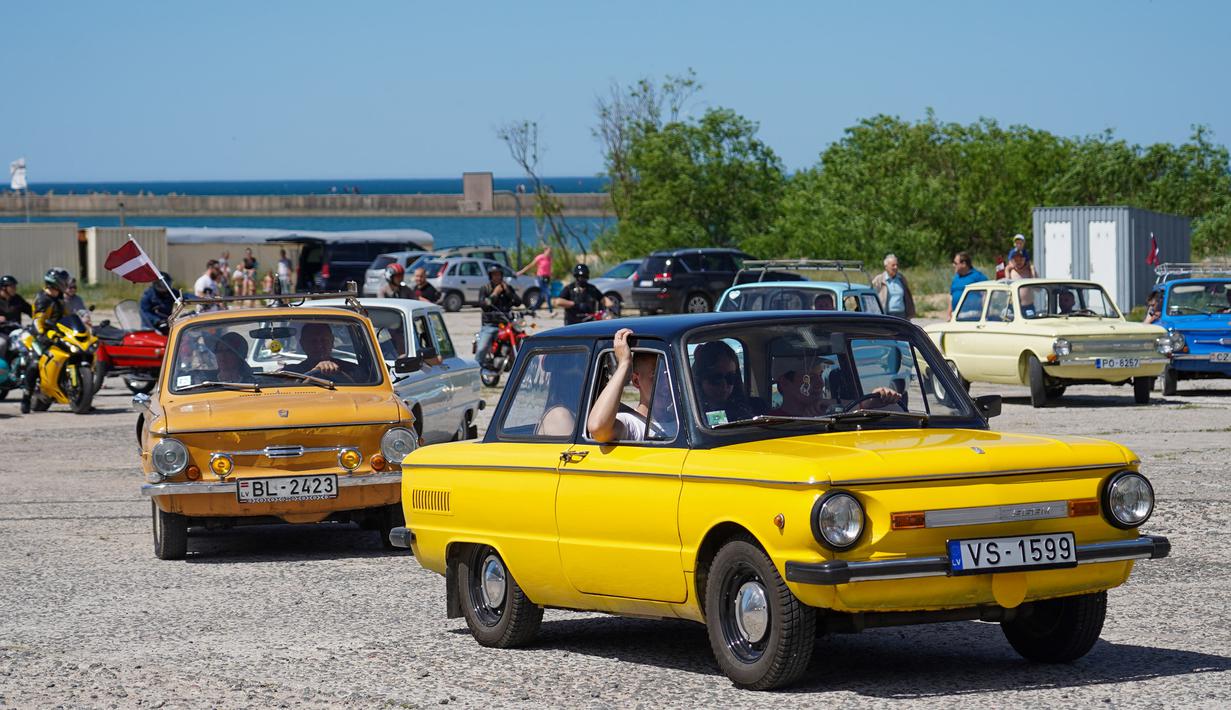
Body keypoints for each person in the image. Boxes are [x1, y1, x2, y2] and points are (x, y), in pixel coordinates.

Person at [587, 328, 662, 442]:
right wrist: (624, 363)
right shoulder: (632, 423)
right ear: (636, 381)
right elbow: (597, 428)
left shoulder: (684, 418)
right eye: (656, 376)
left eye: (668, 375)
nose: (666, 384)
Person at [770, 357, 901, 417]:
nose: (821, 383)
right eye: (809, 378)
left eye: (820, 375)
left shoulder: (832, 414)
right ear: (785, 382)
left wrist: (870, 402)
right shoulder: (770, 423)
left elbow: (898, 411)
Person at [22, 269, 70, 413]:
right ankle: (26, 397)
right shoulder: (43, 299)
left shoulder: (59, 297)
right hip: (39, 336)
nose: (66, 283)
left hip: (57, 334)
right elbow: (38, 321)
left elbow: (68, 316)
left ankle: (82, 396)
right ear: (56, 282)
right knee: (35, 362)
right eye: (64, 280)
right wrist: (43, 334)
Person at [692, 340, 761, 424]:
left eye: (730, 377)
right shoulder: (690, 415)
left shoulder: (756, 408)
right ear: (700, 378)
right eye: (716, 378)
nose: (724, 385)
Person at [476, 264, 522, 363]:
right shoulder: (485, 288)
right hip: (490, 324)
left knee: (520, 339)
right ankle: (477, 367)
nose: (497, 277)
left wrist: (508, 291)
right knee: (482, 348)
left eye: (498, 274)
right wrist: (495, 293)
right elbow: (484, 305)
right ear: (490, 276)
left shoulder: (507, 288)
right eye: (494, 275)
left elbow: (518, 302)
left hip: (507, 324)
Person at [286, 322, 355, 379]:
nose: (319, 345)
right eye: (313, 341)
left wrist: (339, 373)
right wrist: (313, 373)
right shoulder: (290, 372)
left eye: (324, 340)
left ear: (332, 342)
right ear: (303, 344)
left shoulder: (351, 369)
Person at [870, 254, 916, 319]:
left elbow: (907, 295)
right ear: (886, 267)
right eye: (893, 265)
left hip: (902, 314)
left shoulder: (901, 278)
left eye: (897, 265)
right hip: (886, 314)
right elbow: (871, 296)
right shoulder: (879, 279)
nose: (896, 267)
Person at [947, 252, 988, 320]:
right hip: (956, 315)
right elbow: (951, 296)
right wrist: (949, 314)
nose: (953, 265)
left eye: (955, 263)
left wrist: (985, 315)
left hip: (973, 315)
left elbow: (985, 295)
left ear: (963, 264)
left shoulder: (978, 277)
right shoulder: (956, 278)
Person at [517, 246, 553, 313]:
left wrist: (551, 276)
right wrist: (521, 272)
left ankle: (533, 309)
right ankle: (551, 311)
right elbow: (530, 265)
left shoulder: (549, 259)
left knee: (541, 295)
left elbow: (550, 269)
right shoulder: (540, 257)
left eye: (551, 252)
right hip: (540, 278)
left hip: (547, 278)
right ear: (545, 251)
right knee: (548, 293)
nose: (550, 253)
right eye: (549, 251)